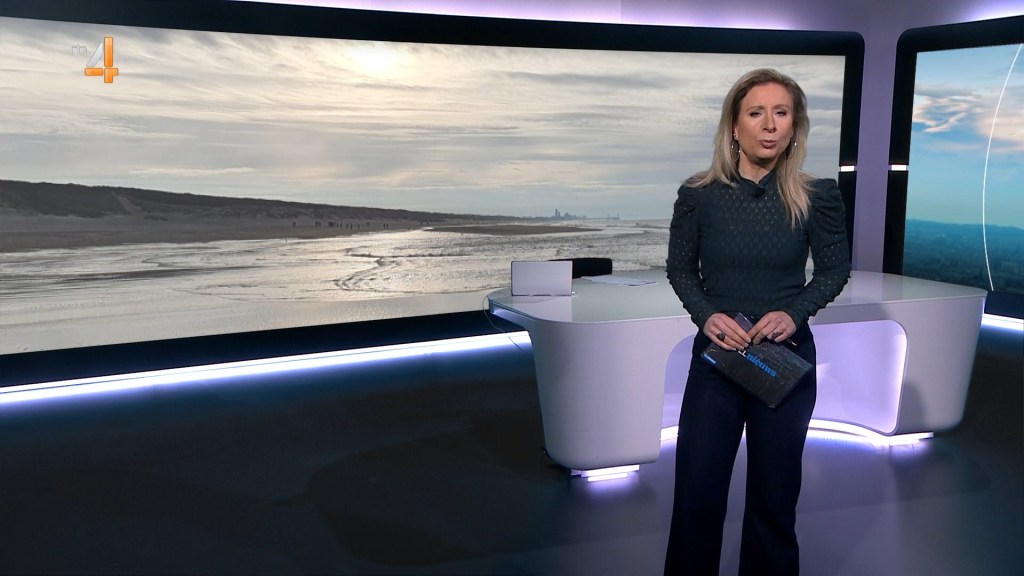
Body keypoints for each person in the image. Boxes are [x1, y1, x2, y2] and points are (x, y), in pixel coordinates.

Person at [663, 68, 851, 576]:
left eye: (781, 113)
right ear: (734, 125)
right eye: (756, 113)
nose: (769, 125)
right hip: (718, 362)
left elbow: (833, 271)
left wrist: (793, 313)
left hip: (783, 361)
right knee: (697, 498)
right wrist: (707, 316)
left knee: (773, 503)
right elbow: (681, 269)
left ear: (794, 126)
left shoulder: (817, 195)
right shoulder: (698, 195)